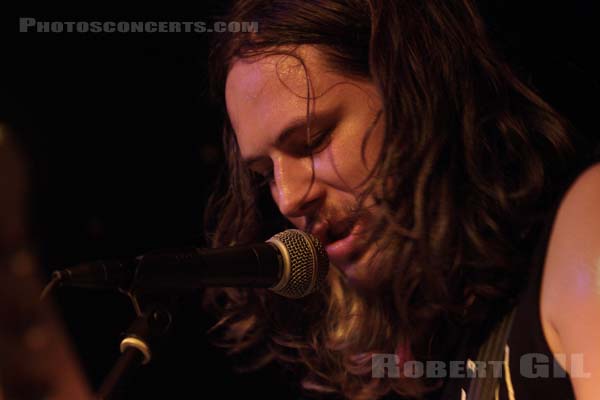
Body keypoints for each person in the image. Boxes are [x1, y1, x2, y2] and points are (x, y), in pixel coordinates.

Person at [202, 1, 600, 399]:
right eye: (266, 175)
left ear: (417, 91)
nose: (288, 199)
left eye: (312, 140)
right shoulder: (415, 365)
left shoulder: (586, 221)